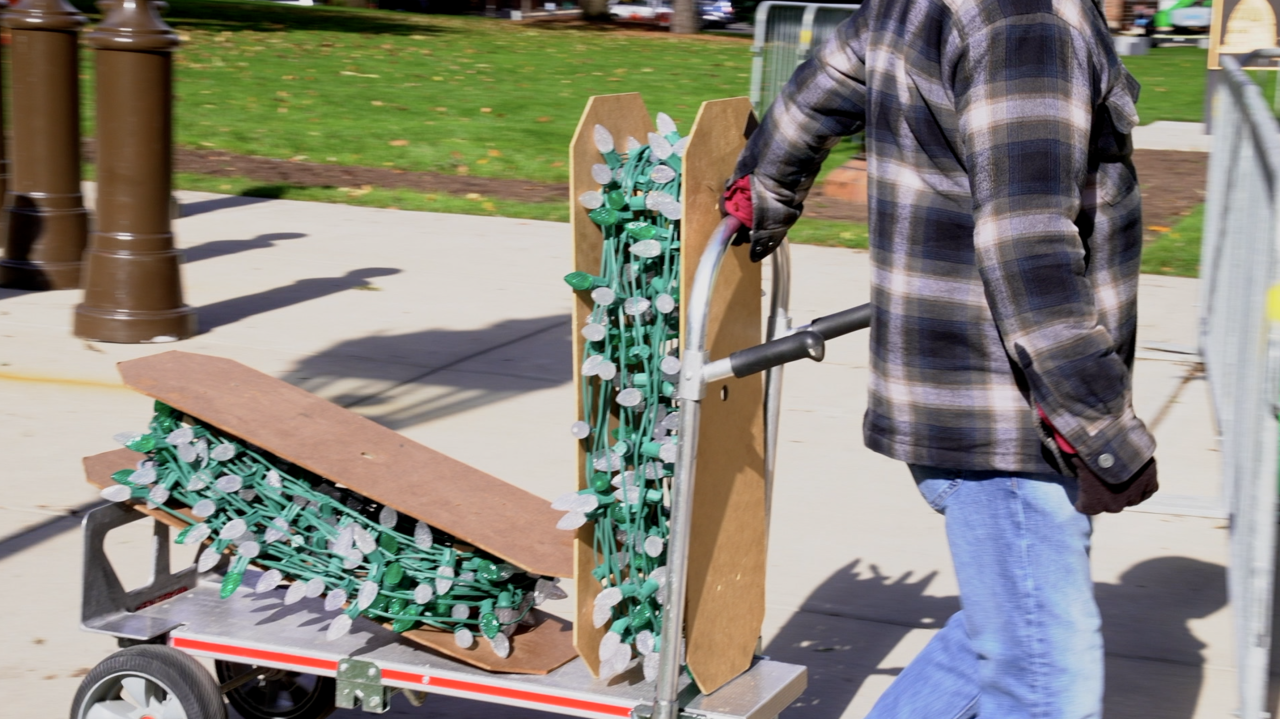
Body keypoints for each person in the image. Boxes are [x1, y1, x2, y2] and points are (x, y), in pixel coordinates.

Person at [722, 0, 1160, 716]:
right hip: (1012, 413)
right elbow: (1026, 243)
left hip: (968, 394)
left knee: (1005, 633)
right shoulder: (1029, 23)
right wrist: (1103, 430)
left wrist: (764, 192)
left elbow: (819, 85)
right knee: (1045, 680)